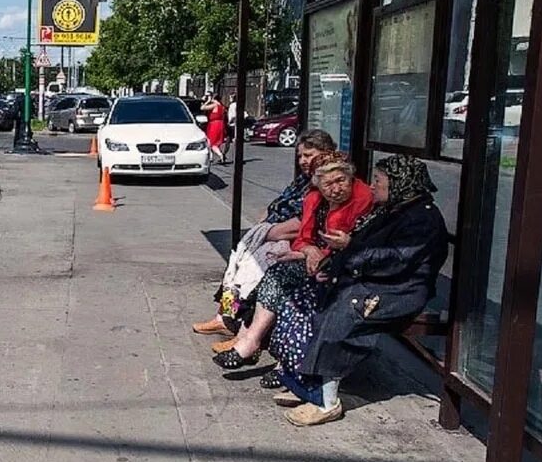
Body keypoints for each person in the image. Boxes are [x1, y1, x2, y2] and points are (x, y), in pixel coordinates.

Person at [274, 155, 450, 426]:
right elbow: (364, 245)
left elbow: (396, 260)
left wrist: (349, 254)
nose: (373, 186)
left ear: (399, 183)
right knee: (315, 297)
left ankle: (326, 400)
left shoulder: (421, 218)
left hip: (400, 291)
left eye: (379, 181)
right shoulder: (394, 208)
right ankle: (307, 384)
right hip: (379, 281)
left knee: (343, 311)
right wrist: (334, 264)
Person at [213, 150, 374, 370]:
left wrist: (314, 252)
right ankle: (236, 327)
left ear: (350, 177)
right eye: (328, 184)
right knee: (261, 269)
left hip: (340, 264)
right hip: (306, 255)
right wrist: (307, 250)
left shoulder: (361, 197)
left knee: (286, 287)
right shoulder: (311, 195)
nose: (335, 189)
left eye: (341, 181)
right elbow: (303, 238)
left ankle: (270, 353)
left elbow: (350, 242)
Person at [192, 129, 337, 336]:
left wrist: (267, 233)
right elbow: (277, 206)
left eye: (308, 155)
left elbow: (303, 223)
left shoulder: (324, 184)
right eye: (300, 156)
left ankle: (240, 328)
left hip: (289, 241)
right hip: (271, 231)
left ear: (325, 153)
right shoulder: (303, 180)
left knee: (251, 270)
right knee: (236, 267)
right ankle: (223, 316)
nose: (303, 160)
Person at [201, 93, 227, 165]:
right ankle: (211, 157)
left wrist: (207, 101)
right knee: (213, 141)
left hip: (214, 124)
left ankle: (220, 155)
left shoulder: (215, 105)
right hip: (220, 124)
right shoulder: (222, 106)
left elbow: (202, 108)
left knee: (212, 143)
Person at [222, 94, 238, 162]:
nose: (229, 99)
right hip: (234, 124)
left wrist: (229, 122)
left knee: (231, 140)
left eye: (230, 97)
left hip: (232, 124)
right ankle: (224, 154)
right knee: (229, 140)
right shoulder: (236, 105)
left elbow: (233, 115)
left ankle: (226, 154)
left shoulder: (232, 105)